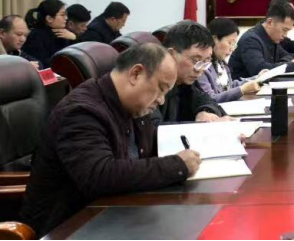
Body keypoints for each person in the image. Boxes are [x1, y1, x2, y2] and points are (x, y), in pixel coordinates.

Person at [20, 43, 201, 237]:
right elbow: (100, 175)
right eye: (161, 89)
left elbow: (143, 154)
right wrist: (177, 166)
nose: (161, 100)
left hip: (114, 214)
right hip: (69, 227)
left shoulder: (133, 106)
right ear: (136, 74)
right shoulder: (81, 111)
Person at [152, 21, 228, 123]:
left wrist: (205, 112)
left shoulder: (185, 81)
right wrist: (197, 125)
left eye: (206, 61)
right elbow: (153, 128)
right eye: (196, 60)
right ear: (171, 54)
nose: (200, 69)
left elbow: (205, 100)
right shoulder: (152, 82)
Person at [230, 1, 294, 80]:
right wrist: (291, 65)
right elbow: (260, 70)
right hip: (243, 88)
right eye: (284, 30)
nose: (285, 35)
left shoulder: (272, 37)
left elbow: (288, 56)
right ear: (270, 22)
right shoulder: (250, 40)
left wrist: (285, 63)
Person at [196, 17, 260, 102]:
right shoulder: (202, 66)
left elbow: (229, 86)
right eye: (230, 43)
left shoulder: (221, 63)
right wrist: (241, 90)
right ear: (214, 39)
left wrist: (258, 78)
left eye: (234, 44)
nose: (232, 49)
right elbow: (210, 99)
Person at [21, 0, 75, 68]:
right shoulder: (36, 36)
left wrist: (74, 38)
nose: (66, 18)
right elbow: (43, 63)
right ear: (49, 19)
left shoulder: (63, 33)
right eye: (62, 15)